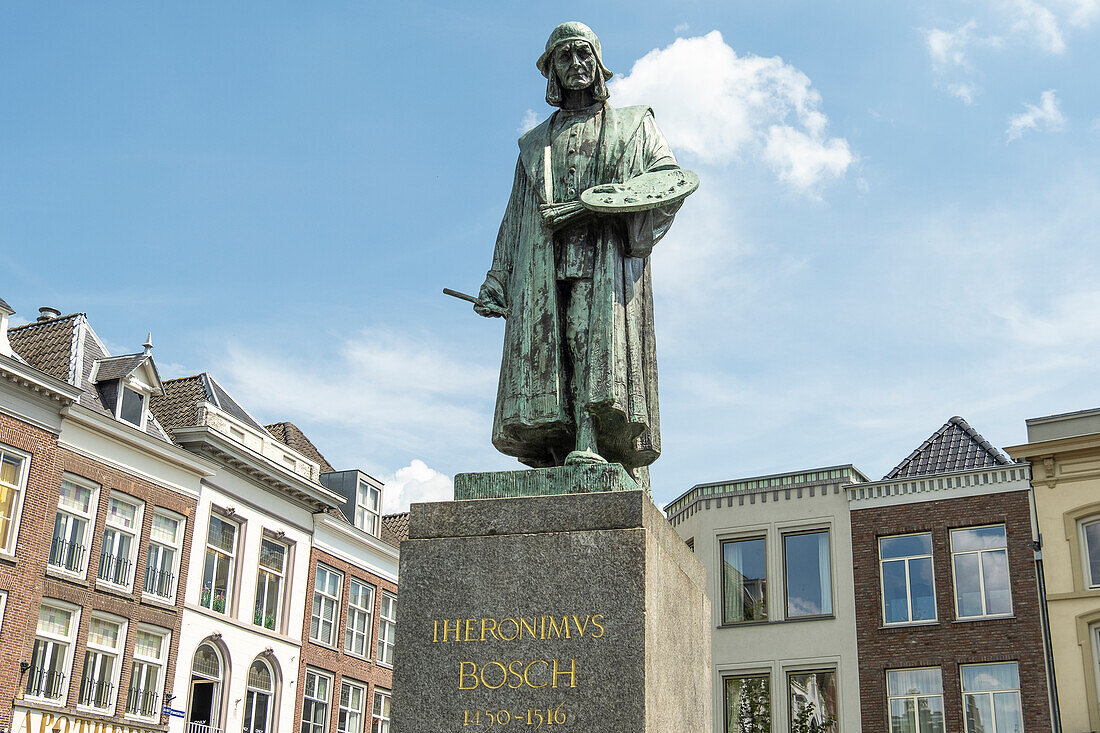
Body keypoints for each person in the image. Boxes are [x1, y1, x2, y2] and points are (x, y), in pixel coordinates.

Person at [475, 21, 685, 489]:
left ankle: (591, 438)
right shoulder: (533, 144)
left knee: (593, 341)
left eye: (583, 55)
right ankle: (557, 441)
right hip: (544, 264)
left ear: (598, 62)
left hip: (603, 256)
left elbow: (669, 178)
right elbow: (514, 218)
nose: (576, 65)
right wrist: (497, 278)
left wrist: (600, 202)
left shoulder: (633, 124)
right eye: (564, 57)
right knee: (555, 349)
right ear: (550, 70)